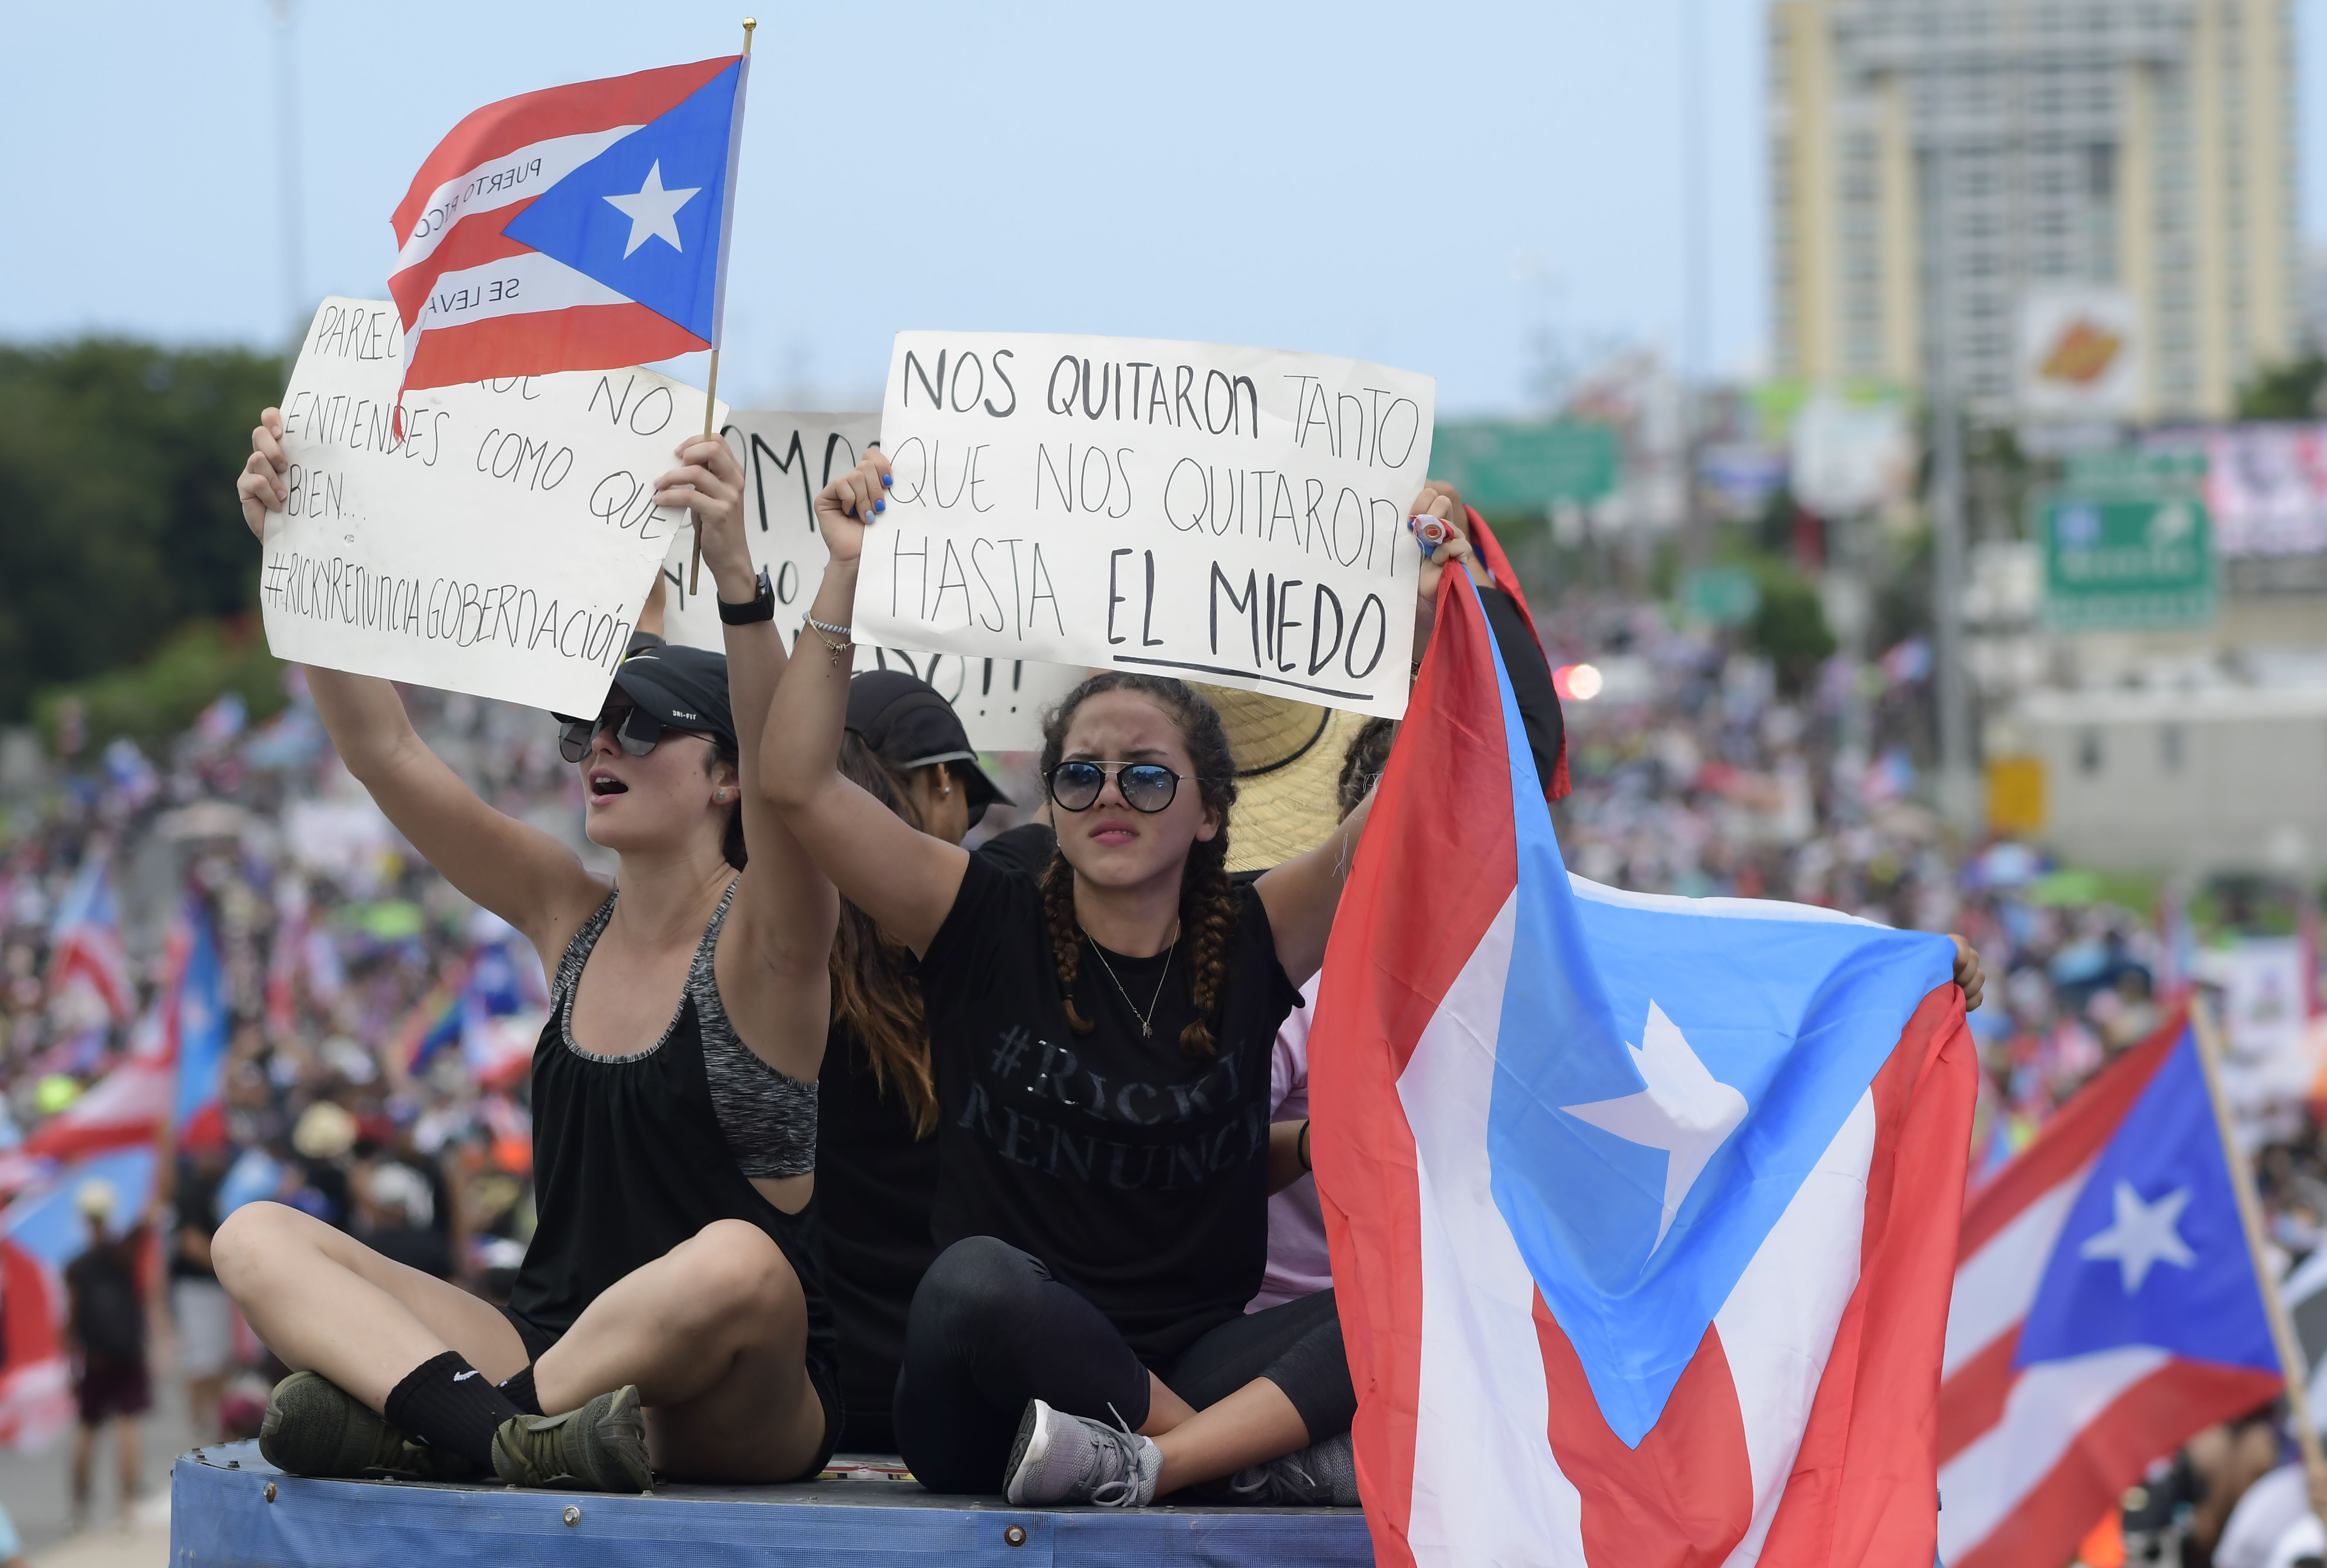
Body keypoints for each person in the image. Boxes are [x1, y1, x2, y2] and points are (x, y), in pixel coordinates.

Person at [761, 455, 1496, 1507]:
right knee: (977, 1277)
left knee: (1422, 1285)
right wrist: (840, 575)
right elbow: (794, 783)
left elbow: (1406, 807)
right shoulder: (974, 912)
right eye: (1081, 774)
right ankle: (1234, 1458)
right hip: (991, 1394)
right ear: (1053, 805)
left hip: (1192, 1358)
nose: (1111, 793)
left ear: (1207, 813)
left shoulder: (1255, 934)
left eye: (1146, 774)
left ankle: (1167, 1464)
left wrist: (1429, 625)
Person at [216, 408, 842, 1491]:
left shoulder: (766, 941)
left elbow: (795, 794)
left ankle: (445, 1431)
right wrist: (296, 551)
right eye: (585, 727)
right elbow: (385, 751)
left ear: (724, 776)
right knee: (256, 1237)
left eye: (638, 727)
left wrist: (736, 579)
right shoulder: (569, 915)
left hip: (729, 1393)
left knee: (736, 1264)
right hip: (552, 1358)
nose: (599, 744)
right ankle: (498, 1440)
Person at [816, 669, 1050, 1454]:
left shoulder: (776, 945)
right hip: (985, 1396)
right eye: (969, 806)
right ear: (943, 778)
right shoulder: (1010, 911)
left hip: (820, 1393)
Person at [64, 1180, 148, 1530]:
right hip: (127, 1352)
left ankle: (80, 1508)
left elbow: (70, 1319)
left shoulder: (75, 1266)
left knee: (87, 1428)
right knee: (127, 1425)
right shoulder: (124, 1253)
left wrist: (71, 1362)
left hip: (94, 1356)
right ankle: (127, 1506)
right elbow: (152, 1212)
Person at [170, 1127, 236, 1444]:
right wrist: (226, 1266)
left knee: (219, 1357)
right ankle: (200, 1427)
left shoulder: (214, 1189)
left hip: (212, 1287)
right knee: (202, 1359)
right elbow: (189, 1242)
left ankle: (217, 1422)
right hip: (197, 1287)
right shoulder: (191, 1192)